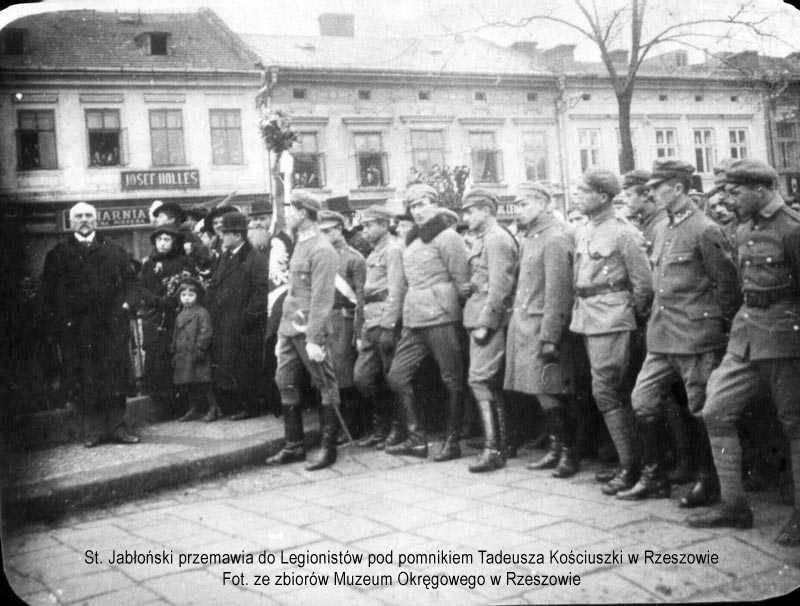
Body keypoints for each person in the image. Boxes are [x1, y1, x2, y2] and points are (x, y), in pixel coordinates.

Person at [688, 159, 800, 548]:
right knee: (716, 410)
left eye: (735, 191)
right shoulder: (742, 228)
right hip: (745, 334)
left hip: (785, 337)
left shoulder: (792, 229)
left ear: (760, 190)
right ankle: (734, 505)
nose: (729, 198)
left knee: (795, 424)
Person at [617, 160, 740, 504]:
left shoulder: (705, 229)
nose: (651, 192)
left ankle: (708, 480)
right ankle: (654, 477)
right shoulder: (664, 229)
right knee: (642, 401)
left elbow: (727, 288)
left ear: (678, 188)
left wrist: (717, 333)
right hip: (662, 336)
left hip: (695, 336)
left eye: (657, 187)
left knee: (701, 408)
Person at [570, 168, 654, 495]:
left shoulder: (624, 233)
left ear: (603, 196)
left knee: (607, 391)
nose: (577, 195)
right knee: (607, 392)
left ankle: (632, 465)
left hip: (612, 318)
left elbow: (643, 285)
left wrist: (625, 316)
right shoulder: (586, 229)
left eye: (583, 190)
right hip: (589, 317)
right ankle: (628, 461)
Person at [41, 202, 142, 447]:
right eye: (79, 216)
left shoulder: (115, 250)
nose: (84, 219)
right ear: (71, 221)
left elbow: (132, 283)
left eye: (89, 215)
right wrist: (59, 322)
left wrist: (128, 304)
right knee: (86, 379)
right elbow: (49, 293)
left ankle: (118, 428)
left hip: (111, 326)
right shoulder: (58, 254)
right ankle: (93, 431)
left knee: (115, 377)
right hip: (78, 329)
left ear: (96, 221)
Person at [386, 183, 469, 461]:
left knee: (452, 379)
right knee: (397, 376)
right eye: (413, 206)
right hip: (414, 318)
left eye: (422, 204)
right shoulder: (413, 241)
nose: (417, 211)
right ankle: (416, 440)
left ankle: (453, 440)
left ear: (435, 204)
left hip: (442, 317)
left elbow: (462, 283)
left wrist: (459, 320)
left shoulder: (448, 237)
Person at [505, 183, 579, 477]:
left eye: (523, 204)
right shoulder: (531, 238)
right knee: (541, 392)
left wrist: (550, 336)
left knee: (552, 393)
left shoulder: (554, 239)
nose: (518, 210)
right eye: (517, 204)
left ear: (543, 204)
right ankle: (556, 448)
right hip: (526, 326)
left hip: (542, 328)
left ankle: (570, 454)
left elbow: (558, 292)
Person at [266, 191, 341, 471]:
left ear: (304, 213)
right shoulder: (301, 242)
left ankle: (328, 448)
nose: (287, 214)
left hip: (310, 329)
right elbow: (295, 291)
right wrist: (283, 334)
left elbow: (322, 299)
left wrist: (314, 338)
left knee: (325, 385)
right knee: (283, 380)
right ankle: (294, 445)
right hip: (290, 327)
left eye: (291, 209)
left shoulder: (322, 249)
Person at [459, 189, 518, 472]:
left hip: (489, 319)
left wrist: (486, 323)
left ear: (486, 209)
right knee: (487, 382)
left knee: (480, 380)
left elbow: (500, 288)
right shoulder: (486, 239)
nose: (466, 216)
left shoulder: (496, 239)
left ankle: (494, 448)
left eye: (470, 211)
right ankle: (502, 442)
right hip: (478, 313)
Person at [205, 211, 269, 422]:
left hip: (244, 324)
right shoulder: (225, 256)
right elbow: (215, 284)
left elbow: (261, 292)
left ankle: (250, 406)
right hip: (223, 321)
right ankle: (234, 405)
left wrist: (248, 317)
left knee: (245, 366)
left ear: (238, 236)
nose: (221, 236)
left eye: (226, 233)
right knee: (227, 364)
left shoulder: (255, 258)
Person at [353, 205, 406, 448]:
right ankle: (380, 428)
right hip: (370, 323)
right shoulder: (374, 253)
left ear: (384, 225)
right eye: (363, 226)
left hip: (384, 322)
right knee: (363, 378)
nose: (364, 230)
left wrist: (389, 325)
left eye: (369, 225)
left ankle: (396, 430)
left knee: (391, 378)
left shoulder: (392, 250)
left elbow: (396, 290)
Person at [317, 210, 367, 442]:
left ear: (339, 228)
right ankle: (333, 425)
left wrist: (358, 331)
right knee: (327, 374)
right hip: (325, 319)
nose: (325, 235)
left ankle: (352, 426)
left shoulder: (354, 258)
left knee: (344, 374)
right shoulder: (319, 256)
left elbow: (361, 298)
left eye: (328, 230)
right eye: (321, 232)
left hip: (345, 319)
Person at [139, 225, 196, 419]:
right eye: (159, 239)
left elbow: (191, 285)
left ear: (174, 242)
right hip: (156, 317)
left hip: (176, 317)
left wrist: (175, 299)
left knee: (178, 357)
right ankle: (160, 408)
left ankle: (181, 406)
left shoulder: (184, 262)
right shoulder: (148, 264)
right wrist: (156, 300)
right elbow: (142, 288)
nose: (162, 243)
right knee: (157, 362)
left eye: (167, 239)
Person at [171, 277, 220, 422]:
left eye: (191, 295)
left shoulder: (201, 312)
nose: (187, 299)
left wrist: (200, 347)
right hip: (183, 354)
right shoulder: (180, 315)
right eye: (183, 295)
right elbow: (176, 333)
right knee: (189, 384)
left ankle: (213, 408)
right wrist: (173, 348)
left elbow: (206, 331)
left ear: (197, 296)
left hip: (197, 353)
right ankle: (193, 408)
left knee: (204, 382)